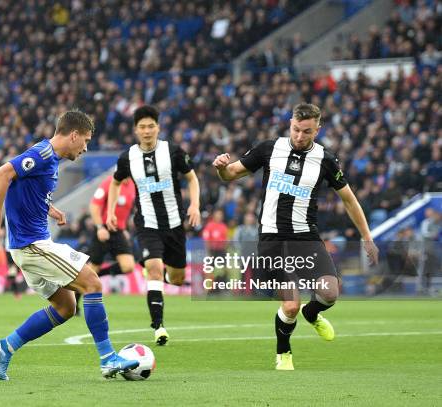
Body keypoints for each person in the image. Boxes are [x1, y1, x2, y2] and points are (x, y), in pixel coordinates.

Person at [212, 103, 379, 370]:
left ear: (318, 129)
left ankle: (312, 314)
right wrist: (221, 166)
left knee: (330, 292)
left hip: (306, 237)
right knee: (290, 305)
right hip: (272, 239)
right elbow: (230, 174)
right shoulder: (269, 149)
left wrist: (367, 237)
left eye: (307, 132)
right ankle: (283, 353)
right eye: (296, 130)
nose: (300, 137)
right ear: (290, 123)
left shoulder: (326, 159)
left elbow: (349, 200)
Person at [0, 110, 139, 381]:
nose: (86, 148)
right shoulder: (42, 154)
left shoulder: (49, 159)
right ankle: (108, 358)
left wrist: (49, 208)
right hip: (32, 244)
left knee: (66, 307)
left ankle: (5, 347)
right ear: (73, 135)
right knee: (92, 283)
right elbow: (0, 176)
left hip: (28, 246)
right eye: (85, 141)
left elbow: (24, 187)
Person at [107, 105, 201, 345]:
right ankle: (158, 326)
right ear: (136, 130)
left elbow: (192, 178)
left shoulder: (173, 152)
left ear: (158, 127)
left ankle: (156, 276)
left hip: (175, 224)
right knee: (155, 269)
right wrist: (110, 212)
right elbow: (115, 183)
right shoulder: (128, 157)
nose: (147, 131)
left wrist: (195, 205)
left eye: (151, 126)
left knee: (177, 279)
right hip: (147, 224)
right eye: (142, 127)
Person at [75, 175, 136, 314]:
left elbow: (125, 210)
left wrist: (124, 228)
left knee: (128, 266)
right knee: (92, 267)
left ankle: (98, 274)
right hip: (103, 231)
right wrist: (99, 227)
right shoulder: (110, 182)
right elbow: (94, 205)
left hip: (118, 231)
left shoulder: (132, 184)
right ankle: (75, 300)